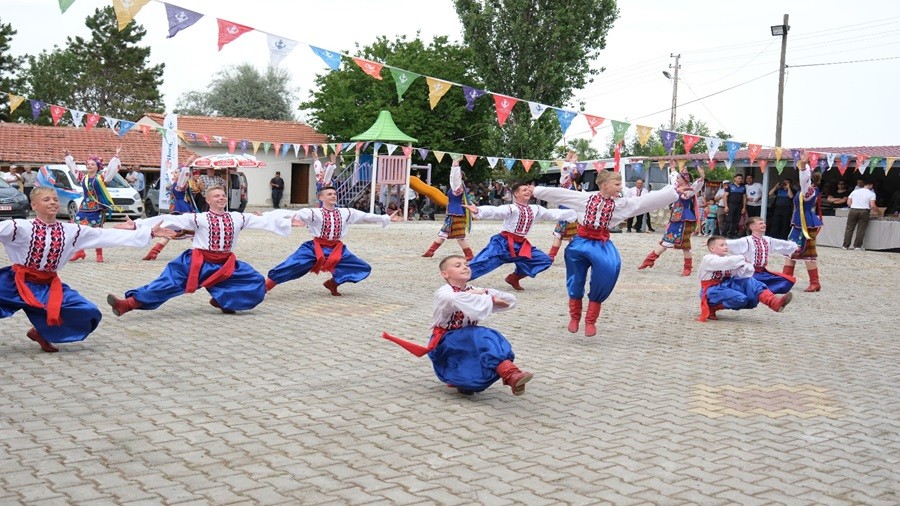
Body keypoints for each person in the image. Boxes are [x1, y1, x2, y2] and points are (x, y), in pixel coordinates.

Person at [0, 186, 172, 353]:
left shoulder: (71, 231)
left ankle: (42, 332)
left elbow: (103, 236)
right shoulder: (19, 227)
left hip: (48, 285)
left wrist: (147, 232)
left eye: (55, 199)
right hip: (15, 282)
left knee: (88, 311)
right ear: (34, 205)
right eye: (46, 199)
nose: (53, 202)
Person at [532, 170, 692, 337]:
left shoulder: (620, 205)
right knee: (575, 279)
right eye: (616, 184)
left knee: (608, 271)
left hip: (601, 245)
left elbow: (645, 202)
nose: (620, 187)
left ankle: (590, 320)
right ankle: (574, 316)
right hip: (580, 243)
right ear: (604, 185)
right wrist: (535, 191)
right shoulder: (584, 199)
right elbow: (561, 194)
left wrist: (673, 192)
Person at [107, 186, 297, 316]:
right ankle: (126, 305)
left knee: (254, 281)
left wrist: (289, 220)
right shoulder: (200, 218)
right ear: (207, 200)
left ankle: (225, 301)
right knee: (167, 284)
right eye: (216, 196)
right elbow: (169, 219)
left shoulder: (238, 217)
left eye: (223, 195)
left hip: (225, 263)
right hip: (197, 261)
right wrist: (137, 225)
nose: (221, 197)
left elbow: (264, 220)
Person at [381, 255, 533, 396]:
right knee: (485, 335)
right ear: (445, 274)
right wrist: (489, 299)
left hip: (466, 340)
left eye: (467, 264)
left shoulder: (473, 290)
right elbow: (457, 299)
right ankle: (511, 374)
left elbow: (510, 300)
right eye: (458, 265)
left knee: (474, 379)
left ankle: (468, 382)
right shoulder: (444, 292)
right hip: (447, 341)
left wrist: (486, 293)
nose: (465, 267)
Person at [265, 186, 402, 296]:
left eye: (334, 194)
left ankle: (333, 283)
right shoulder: (313, 213)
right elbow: (290, 214)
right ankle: (263, 287)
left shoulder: (346, 212)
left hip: (337, 249)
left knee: (362, 267)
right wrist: (266, 216)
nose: (333, 196)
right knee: (291, 265)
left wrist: (385, 218)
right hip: (315, 248)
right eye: (329, 194)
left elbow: (365, 216)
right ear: (321, 197)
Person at [464, 182, 577, 291]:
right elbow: (496, 211)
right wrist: (479, 210)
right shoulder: (511, 208)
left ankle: (514, 278)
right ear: (516, 194)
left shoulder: (535, 209)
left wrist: (574, 213)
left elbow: (551, 214)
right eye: (524, 190)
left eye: (528, 190)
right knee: (482, 263)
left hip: (521, 245)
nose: (527, 191)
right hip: (502, 243)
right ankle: (458, 280)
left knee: (543, 260)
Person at [697, 236, 792, 322]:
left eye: (726, 245)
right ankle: (711, 306)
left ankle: (774, 302)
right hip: (711, 290)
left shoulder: (730, 260)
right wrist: (742, 258)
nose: (725, 247)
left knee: (749, 281)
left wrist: (745, 264)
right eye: (722, 245)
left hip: (725, 285)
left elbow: (744, 272)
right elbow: (723, 262)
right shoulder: (708, 259)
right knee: (741, 299)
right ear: (712, 248)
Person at [637, 168, 705, 276]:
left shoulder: (688, 190)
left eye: (679, 178)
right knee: (665, 241)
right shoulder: (675, 188)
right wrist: (673, 168)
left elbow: (696, 186)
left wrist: (702, 177)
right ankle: (649, 260)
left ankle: (687, 268)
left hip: (684, 219)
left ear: (685, 179)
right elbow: (673, 179)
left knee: (685, 244)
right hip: (675, 218)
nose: (676, 180)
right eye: (677, 178)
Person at [65, 147, 126, 263]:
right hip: (84, 208)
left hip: (97, 208)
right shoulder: (83, 178)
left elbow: (111, 170)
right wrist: (68, 156)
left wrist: (116, 156)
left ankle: (99, 253)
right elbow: (74, 169)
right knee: (80, 230)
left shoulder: (101, 178)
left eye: (92, 164)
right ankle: (79, 251)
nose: (89, 166)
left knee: (97, 231)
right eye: (88, 164)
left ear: (97, 166)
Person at [781, 154, 823, 292]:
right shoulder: (809, 190)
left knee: (807, 254)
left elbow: (803, 180)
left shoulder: (808, 190)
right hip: (800, 223)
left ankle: (814, 282)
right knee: (791, 250)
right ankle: (786, 280)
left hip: (805, 224)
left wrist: (803, 167)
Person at [726, 216, 799, 294]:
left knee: (787, 281)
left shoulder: (767, 240)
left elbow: (781, 244)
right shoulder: (746, 241)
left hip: (762, 272)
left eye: (764, 223)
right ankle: (755, 288)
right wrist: (715, 243)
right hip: (749, 272)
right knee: (751, 280)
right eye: (760, 223)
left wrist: (794, 246)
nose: (764, 225)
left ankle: (758, 288)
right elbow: (729, 244)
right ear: (752, 227)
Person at [141, 165, 199, 261]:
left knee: (190, 231)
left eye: (176, 172)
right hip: (177, 208)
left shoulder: (181, 183)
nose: (174, 174)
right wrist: (168, 168)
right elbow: (170, 174)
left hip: (181, 209)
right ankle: (153, 252)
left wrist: (187, 165)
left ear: (181, 175)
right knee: (171, 231)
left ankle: (154, 252)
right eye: (174, 172)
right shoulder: (176, 183)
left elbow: (184, 175)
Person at [421, 160, 475, 261]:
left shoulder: (457, 187)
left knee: (459, 236)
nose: (451, 177)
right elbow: (453, 176)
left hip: (456, 213)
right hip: (454, 213)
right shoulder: (460, 187)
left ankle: (469, 254)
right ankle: (430, 251)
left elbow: (454, 176)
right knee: (443, 233)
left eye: (454, 176)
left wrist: (455, 164)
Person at [547, 151, 580, 261]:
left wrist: (572, 162)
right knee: (559, 235)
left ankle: (572, 255)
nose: (576, 172)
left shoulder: (575, 185)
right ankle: (551, 256)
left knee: (572, 236)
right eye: (575, 171)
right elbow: (565, 170)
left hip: (573, 214)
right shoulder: (565, 182)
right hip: (566, 214)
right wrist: (569, 160)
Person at [842, 180, 880, 250]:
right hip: (864, 211)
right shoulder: (872, 193)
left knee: (849, 228)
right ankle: (857, 246)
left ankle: (845, 245)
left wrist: (854, 206)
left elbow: (848, 202)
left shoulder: (854, 191)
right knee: (861, 229)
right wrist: (879, 212)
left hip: (853, 210)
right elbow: (872, 205)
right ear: (870, 185)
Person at [722, 174, 747, 238]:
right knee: (728, 220)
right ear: (735, 179)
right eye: (739, 178)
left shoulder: (743, 187)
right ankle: (723, 234)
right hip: (731, 205)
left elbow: (744, 197)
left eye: (741, 178)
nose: (740, 180)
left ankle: (731, 234)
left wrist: (744, 207)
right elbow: (725, 196)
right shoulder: (730, 186)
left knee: (736, 220)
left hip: (739, 206)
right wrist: (726, 206)